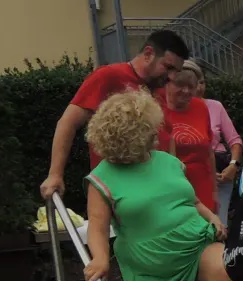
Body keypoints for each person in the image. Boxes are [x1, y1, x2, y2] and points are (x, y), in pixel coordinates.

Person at [80, 91, 243, 281]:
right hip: (153, 264)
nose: (157, 132)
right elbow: (98, 228)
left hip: (194, 244)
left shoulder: (167, 162)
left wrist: (211, 217)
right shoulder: (101, 178)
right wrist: (100, 259)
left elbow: (189, 199)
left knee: (233, 268)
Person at [40, 29, 188, 198]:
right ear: (148, 53)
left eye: (176, 70)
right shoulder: (109, 76)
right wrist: (55, 175)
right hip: (121, 192)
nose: (171, 76)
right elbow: (68, 122)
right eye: (168, 67)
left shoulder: (158, 89)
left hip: (159, 192)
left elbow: (167, 137)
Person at [158, 62, 219, 281]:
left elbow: (208, 151)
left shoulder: (201, 107)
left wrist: (214, 191)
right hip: (176, 192)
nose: (185, 91)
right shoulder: (158, 111)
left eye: (190, 86)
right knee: (179, 255)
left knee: (204, 252)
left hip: (203, 187)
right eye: (179, 84)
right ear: (167, 83)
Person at [195, 64, 243, 224]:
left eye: (201, 82)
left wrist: (233, 165)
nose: (198, 87)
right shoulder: (172, 110)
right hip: (192, 177)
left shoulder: (215, 106)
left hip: (220, 173)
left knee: (219, 224)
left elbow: (235, 140)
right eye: (193, 82)